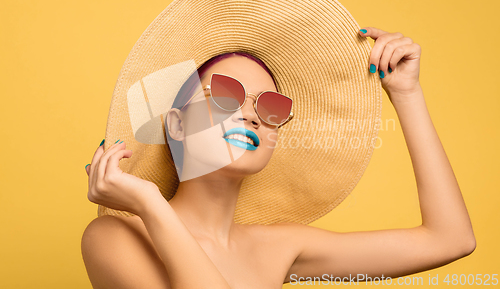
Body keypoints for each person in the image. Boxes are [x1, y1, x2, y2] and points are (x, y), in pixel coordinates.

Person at [81, 27, 475, 289]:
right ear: (177, 126)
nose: (252, 114)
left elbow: (451, 240)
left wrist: (406, 94)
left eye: (271, 106)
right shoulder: (114, 238)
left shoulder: (281, 248)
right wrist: (150, 204)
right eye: (224, 94)